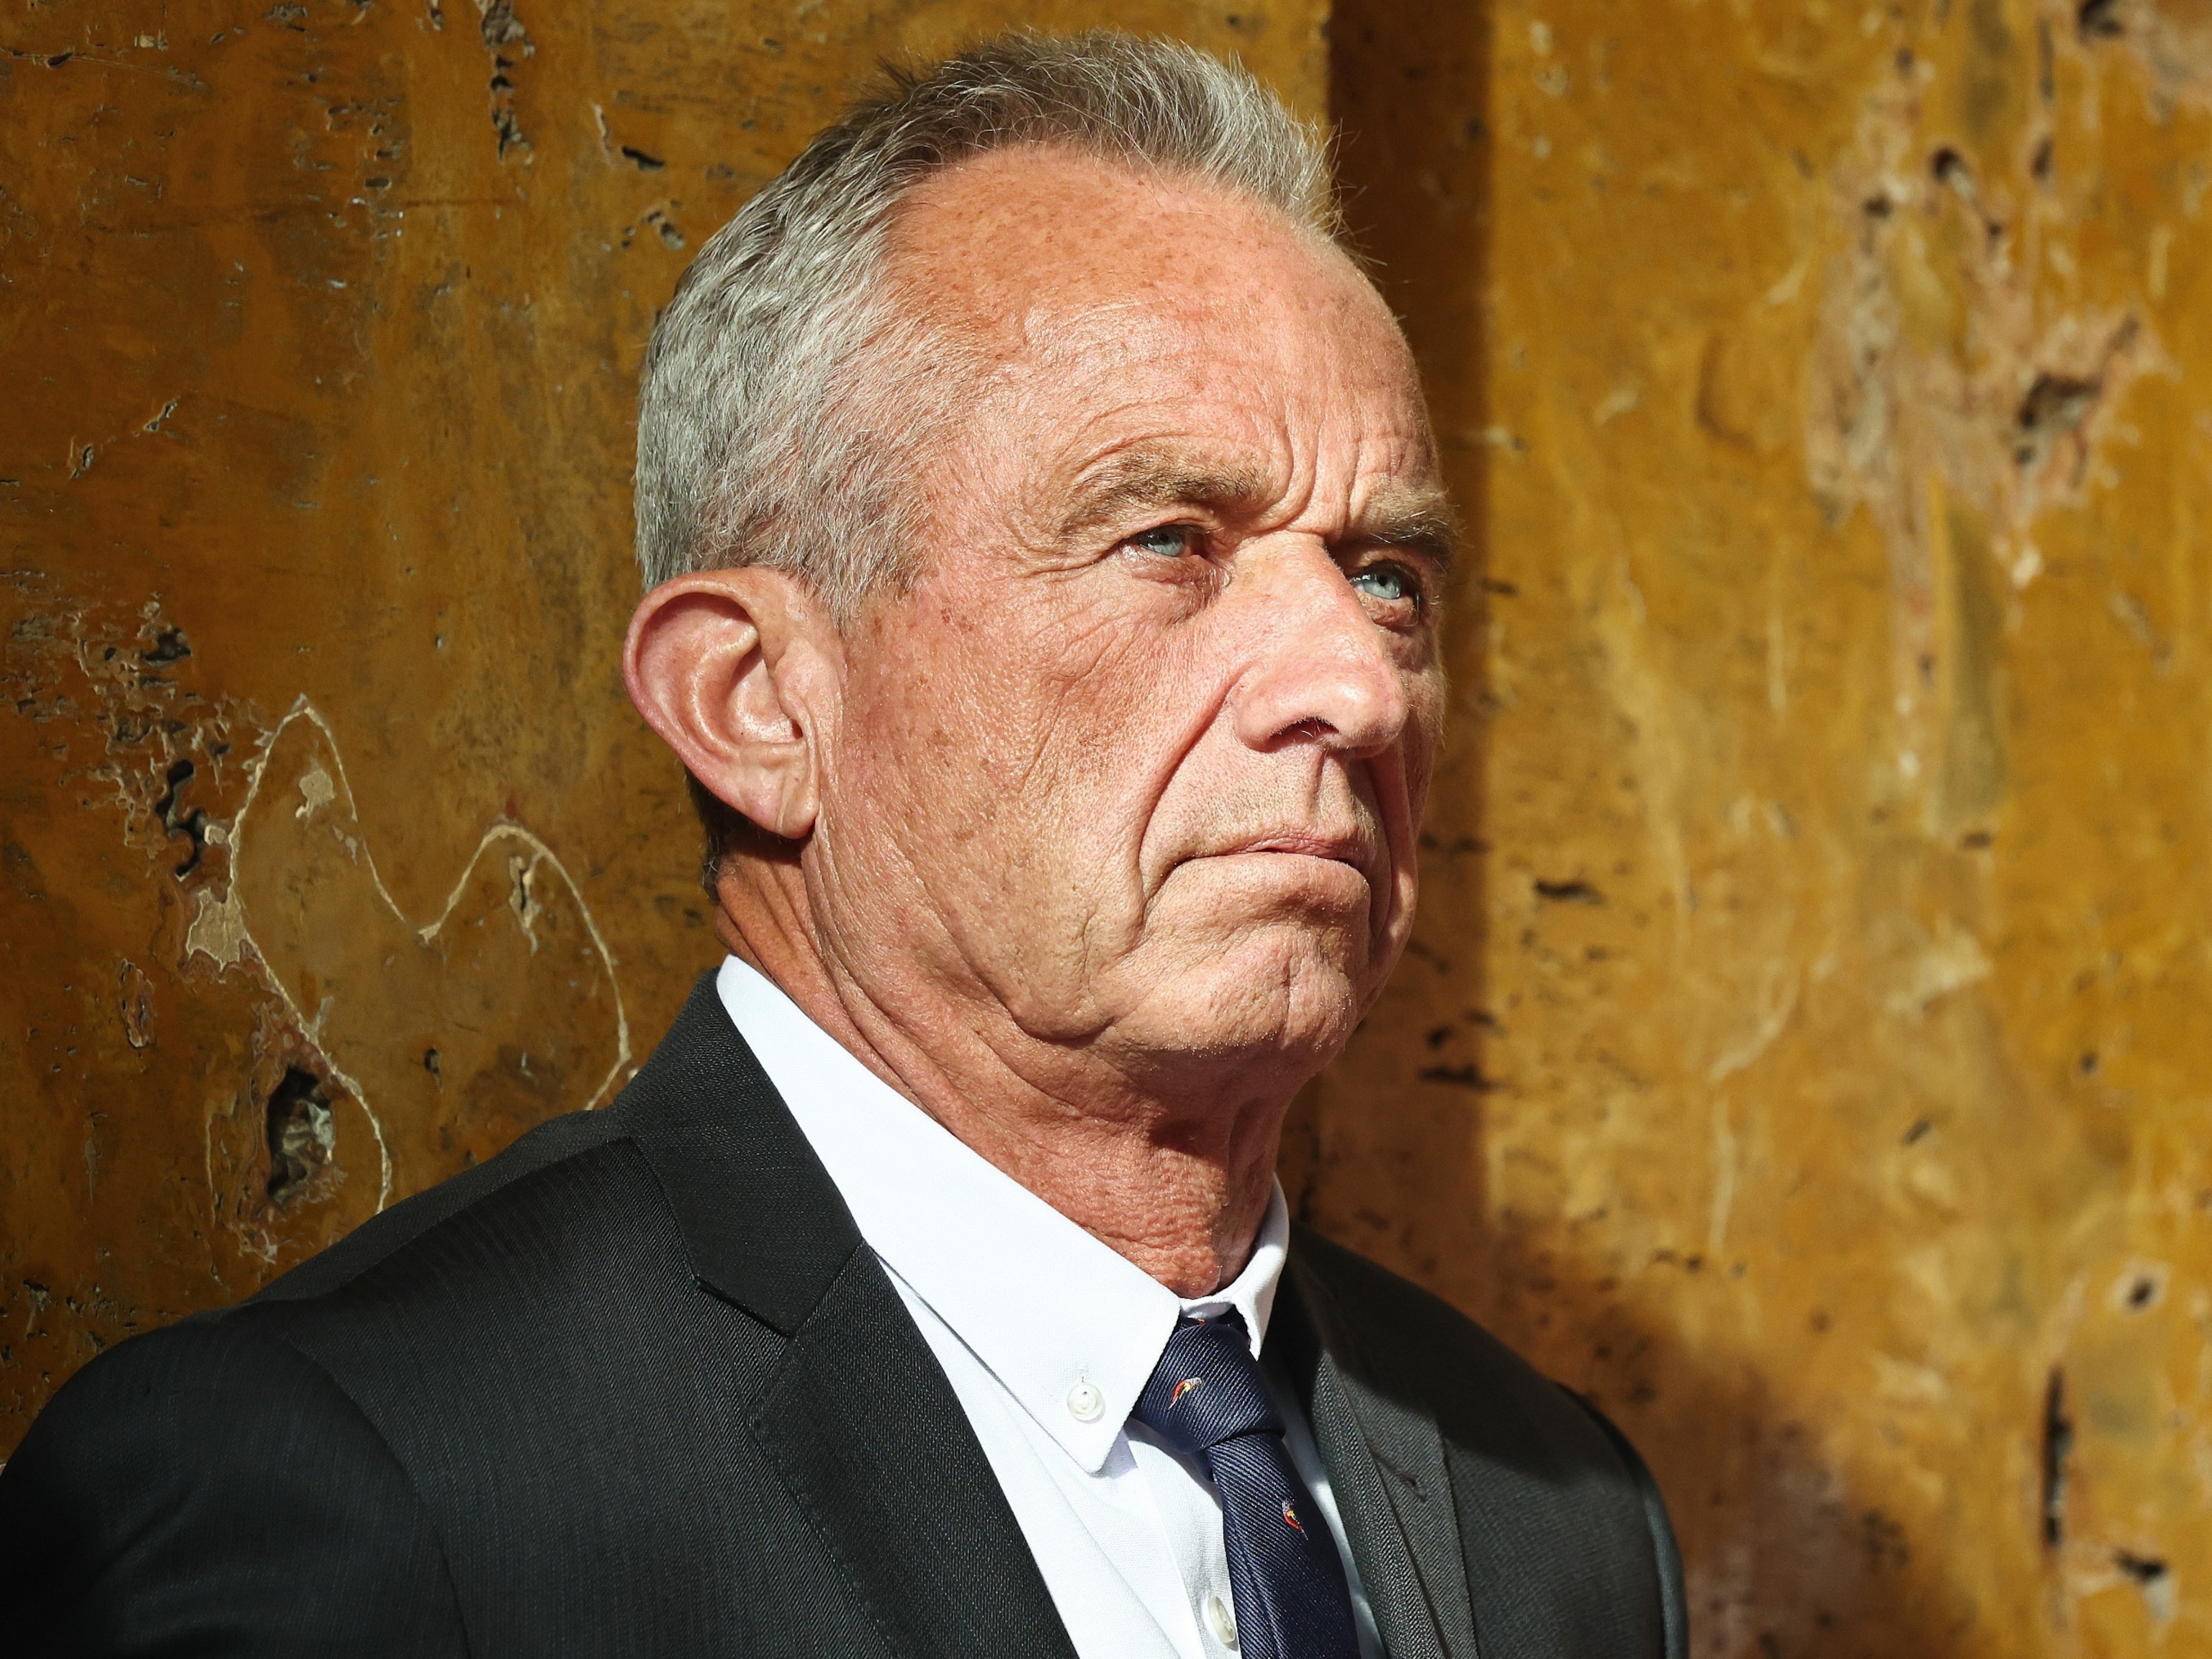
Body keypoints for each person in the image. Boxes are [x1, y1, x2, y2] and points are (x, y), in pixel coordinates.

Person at [0, 32, 1683, 1658]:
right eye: (1170, 540)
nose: (1358, 688)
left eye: (1387, 576)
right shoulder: (358, 1485)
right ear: (754, 702)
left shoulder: (1554, 1511)